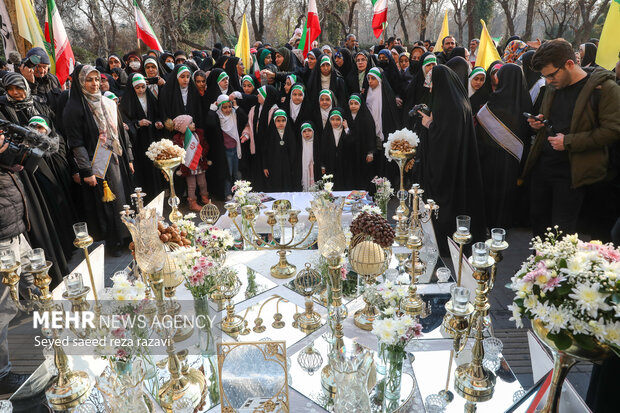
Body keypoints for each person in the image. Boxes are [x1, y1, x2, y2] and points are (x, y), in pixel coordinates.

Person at [521, 39, 620, 237]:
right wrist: (539, 122)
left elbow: (613, 130)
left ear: (569, 64)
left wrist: (569, 142)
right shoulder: (553, 85)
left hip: (573, 173)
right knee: (539, 224)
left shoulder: (606, 89)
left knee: (561, 232)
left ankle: (556, 268)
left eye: (551, 75)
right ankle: (538, 267)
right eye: (544, 77)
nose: (548, 81)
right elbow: (552, 116)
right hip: (543, 167)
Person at [63, 65, 134, 256]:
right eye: (89, 80)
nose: (94, 84)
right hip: (98, 165)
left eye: (97, 79)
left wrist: (129, 157)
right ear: (80, 83)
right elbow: (76, 144)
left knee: (123, 198)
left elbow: (120, 131)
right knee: (107, 206)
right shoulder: (74, 108)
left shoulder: (108, 102)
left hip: (117, 159)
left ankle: (128, 236)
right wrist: (86, 170)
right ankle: (114, 242)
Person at [417, 65, 486, 254]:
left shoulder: (449, 106)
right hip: (459, 166)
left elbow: (446, 140)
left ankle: (444, 242)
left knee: (444, 206)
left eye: (432, 84)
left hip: (448, 169)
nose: (430, 88)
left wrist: (430, 125)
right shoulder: (458, 101)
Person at [475, 64, 532, 229]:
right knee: (509, 191)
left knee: (491, 191)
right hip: (514, 158)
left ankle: (490, 223)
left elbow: (480, 124)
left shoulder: (495, 99)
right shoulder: (526, 100)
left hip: (491, 157)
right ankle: (505, 224)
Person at [0, 132, 35, 395]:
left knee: (35, 282)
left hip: (16, 233)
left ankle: (58, 336)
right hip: (2, 242)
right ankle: (2, 374)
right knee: (3, 308)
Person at [120, 73, 164, 202]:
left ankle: (158, 197)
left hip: (152, 138)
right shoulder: (127, 102)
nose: (140, 90)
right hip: (138, 142)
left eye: (143, 87)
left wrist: (158, 122)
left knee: (154, 168)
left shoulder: (150, 98)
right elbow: (125, 122)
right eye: (137, 87)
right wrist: (138, 123)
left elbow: (157, 113)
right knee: (143, 169)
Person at [207, 94, 247, 200]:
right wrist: (212, 109)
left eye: (229, 106)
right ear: (220, 108)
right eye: (224, 107)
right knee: (227, 173)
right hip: (226, 151)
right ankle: (228, 193)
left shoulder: (234, 115)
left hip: (236, 149)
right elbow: (210, 123)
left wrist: (235, 105)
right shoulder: (218, 117)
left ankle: (240, 192)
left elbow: (244, 118)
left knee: (237, 173)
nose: (228, 109)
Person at [241, 85, 280, 190]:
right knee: (257, 175)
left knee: (268, 174)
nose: (257, 95)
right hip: (256, 147)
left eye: (260, 93)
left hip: (268, 148)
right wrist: (246, 135)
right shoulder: (254, 109)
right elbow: (249, 126)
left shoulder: (274, 110)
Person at [365, 67, 400, 177]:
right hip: (370, 132)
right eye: (368, 78)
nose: (370, 81)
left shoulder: (387, 94)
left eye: (373, 78)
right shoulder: (367, 94)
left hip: (385, 131)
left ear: (379, 80)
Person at [171, 114, 210, 211]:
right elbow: (177, 152)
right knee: (191, 185)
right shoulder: (178, 139)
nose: (194, 124)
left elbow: (205, 145)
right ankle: (192, 203)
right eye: (191, 123)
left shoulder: (198, 134)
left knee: (203, 183)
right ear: (185, 127)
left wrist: (202, 153)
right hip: (188, 166)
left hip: (199, 163)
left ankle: (205, 199)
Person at [345, 93, 376, 190]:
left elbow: (371, 135)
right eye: (351, 103)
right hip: (350, 152)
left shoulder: (366, 118)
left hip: (363, 152)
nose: (353, 106)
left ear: (360, 105)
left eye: (356, 103)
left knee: (363, 177)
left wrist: (370, 152)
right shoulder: (347, 117)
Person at [262, 109, 297, 191]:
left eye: (283, 120)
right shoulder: (269, 134)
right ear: (274, 121)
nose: (281, 123)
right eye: (278, 121)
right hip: (273, 165)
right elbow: (264, 152)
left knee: (287, 185)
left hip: (287, 166)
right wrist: (265, 167)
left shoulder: (290, 133)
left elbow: (294, 151)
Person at [320, 108, 351, 190]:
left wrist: (346, 128)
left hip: (344, 164)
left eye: (338, 119)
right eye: (333, 119)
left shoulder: (345, 131)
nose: (335, 122)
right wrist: (323, 165)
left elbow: (351, 143)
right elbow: (322, 150)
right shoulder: (326, 132)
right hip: (330, 163)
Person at [298, 122, 321, 191]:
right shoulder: (299, 145)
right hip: (304, 170)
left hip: (314, 170)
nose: (307, 133)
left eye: (309, 130)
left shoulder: (317, 143)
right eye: (304, 131)